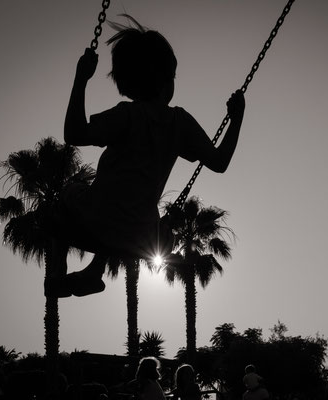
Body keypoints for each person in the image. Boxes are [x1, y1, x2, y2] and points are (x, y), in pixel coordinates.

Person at [45, 15, 245, 297]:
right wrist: (236, 119)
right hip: (142, 235)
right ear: (165, 81)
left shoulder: (126, 115)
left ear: (127, 84)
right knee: (160, 231)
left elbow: (74, 134)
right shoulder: (180, 123)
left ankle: (57, 272)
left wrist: (81, 79)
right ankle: (94, 270)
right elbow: (220, 161)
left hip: (97, 219)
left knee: (69, 193)